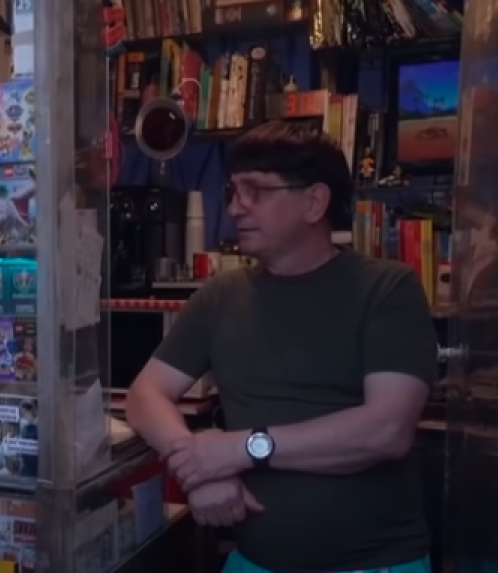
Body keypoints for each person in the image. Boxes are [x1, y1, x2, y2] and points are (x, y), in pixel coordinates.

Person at [126, 121, 438, 573]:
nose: (235, 208)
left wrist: (241, 448)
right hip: (252, 563)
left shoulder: (387, 289)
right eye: (233, 192)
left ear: (314, 202)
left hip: (375, 565)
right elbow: (144, 396)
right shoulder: (220, 296)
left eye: (256, 191)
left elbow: (386, 430)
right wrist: (199, 467)